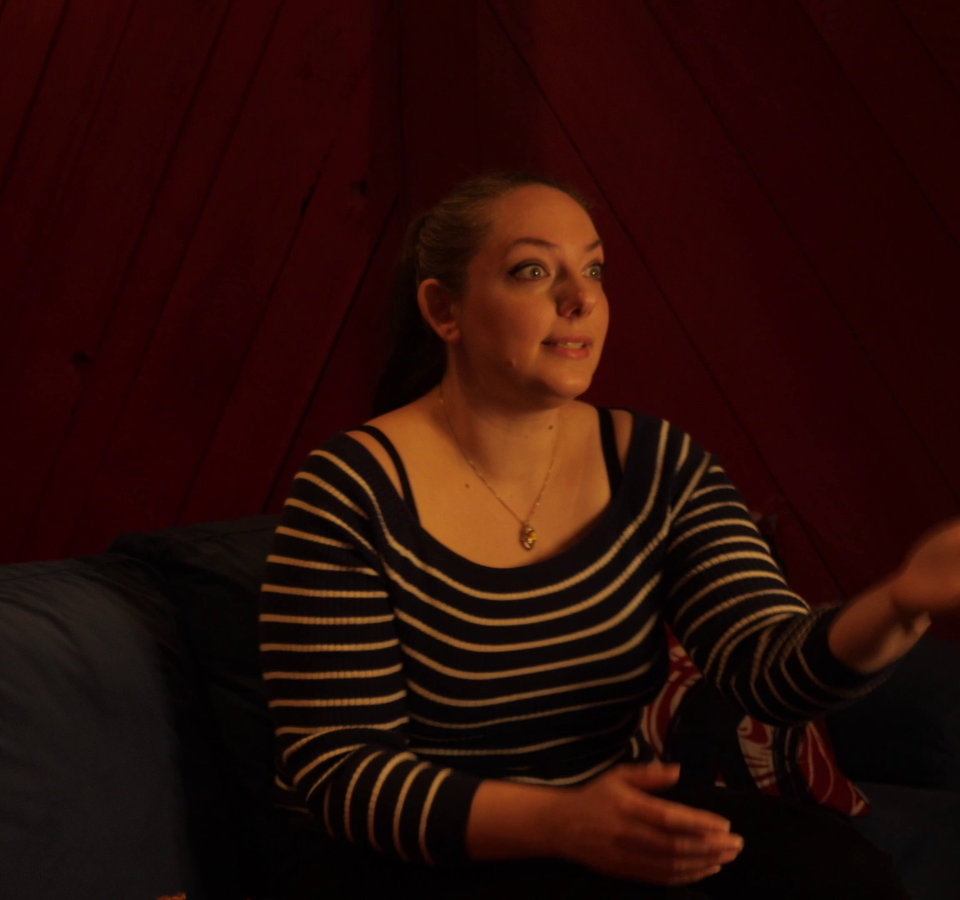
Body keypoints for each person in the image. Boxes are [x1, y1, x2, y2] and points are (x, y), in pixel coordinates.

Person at [261, 171, 960, 898]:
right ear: (444, 309)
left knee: (840, 876)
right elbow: (340, 771)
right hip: (414, 853)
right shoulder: (350, 489)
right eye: (534, 271)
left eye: (593, 270)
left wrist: (901, 601)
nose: (582, 299)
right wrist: (559, 823)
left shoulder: (659, 466)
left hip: (604, 823)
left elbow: (767, 667)